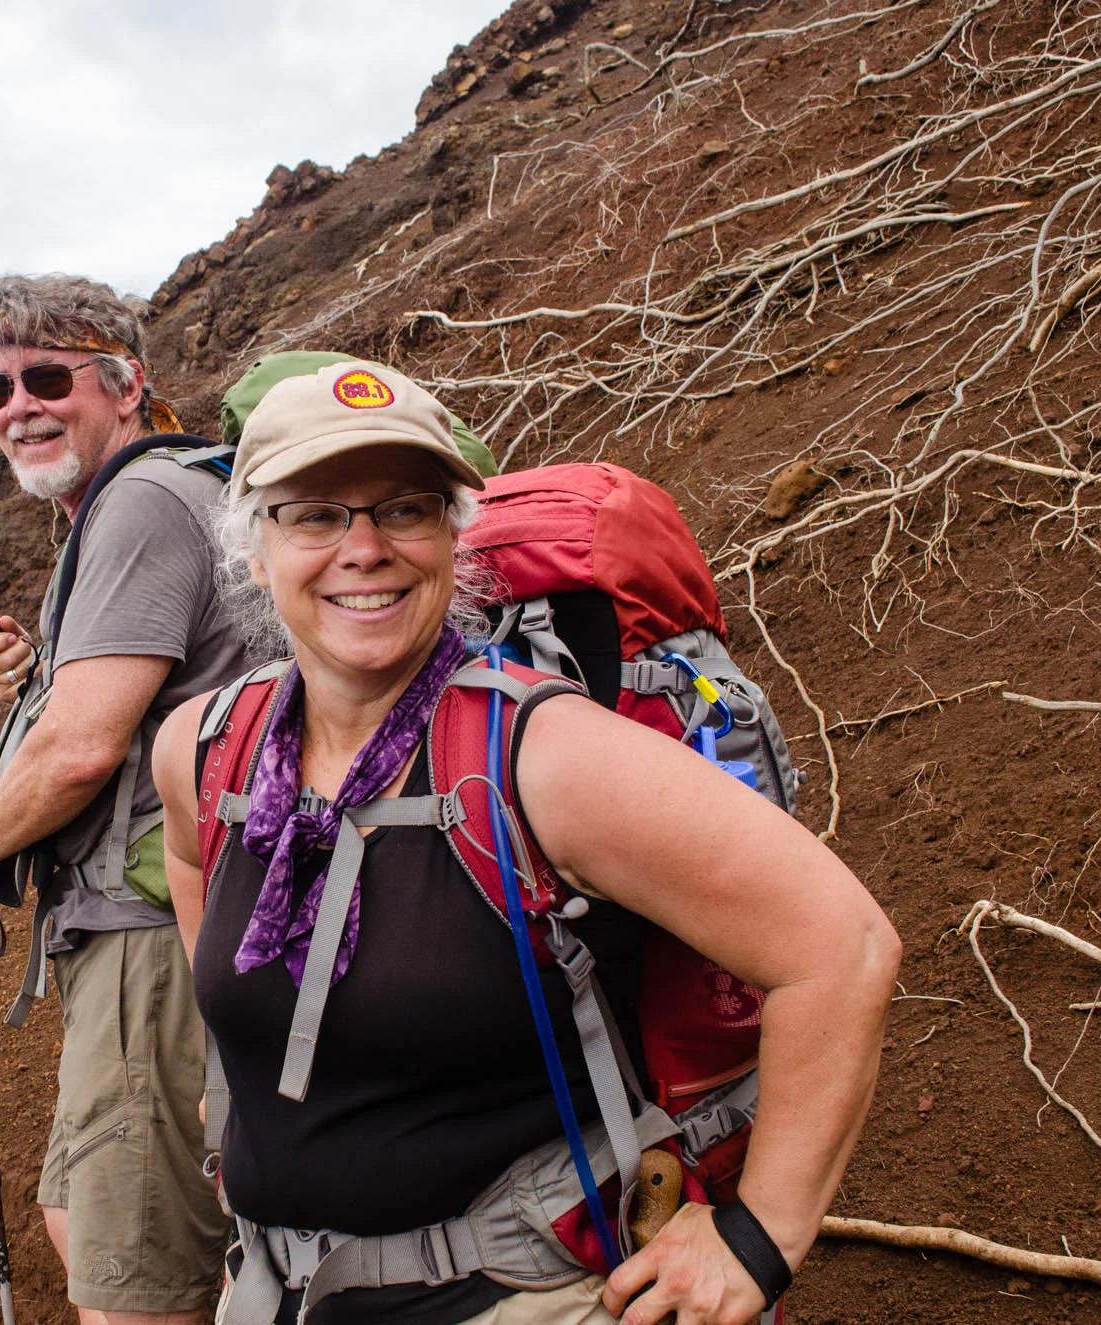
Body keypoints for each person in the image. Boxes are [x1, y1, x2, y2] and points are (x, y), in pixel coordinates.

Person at [152, 361, 902, 1325]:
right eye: (314, 514)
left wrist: (760, 1239)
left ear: (453, 536)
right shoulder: (211, 747)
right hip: (273, 1293)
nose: (365, 548)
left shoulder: (541, 756)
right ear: (254, 547)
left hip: (519, 1296)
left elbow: (841, 946)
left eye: (405, 509)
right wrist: (234, 1072)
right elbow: (188, 863)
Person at [0, 273, 264, 1324]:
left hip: (152, 933)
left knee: (134, 1290)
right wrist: (40, 672)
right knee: (79, 1215)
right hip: (159, 916)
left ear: (124, 386)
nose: (16, 404)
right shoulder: (165, 492)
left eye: (45, 376)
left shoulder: (141, 504)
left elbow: (78, 751)